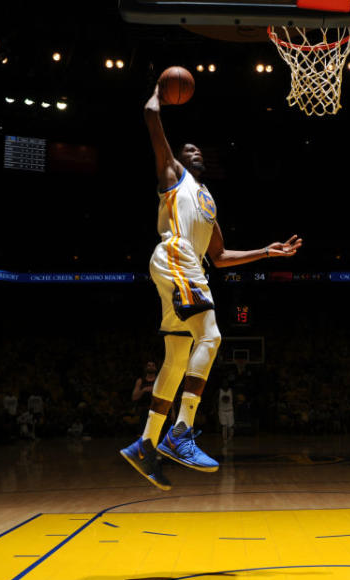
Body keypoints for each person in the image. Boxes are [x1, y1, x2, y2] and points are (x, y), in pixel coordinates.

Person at [120, 83, 302, 489]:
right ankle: (181, 431)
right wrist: (157, 92)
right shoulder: (173, 175)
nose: (195, 150)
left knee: (177, 357)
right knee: (213, 336)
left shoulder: (207, 199)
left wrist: (267, 252)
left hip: (193, 264)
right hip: (176, 256)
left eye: (198, 149)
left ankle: (146, 444)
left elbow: (220, 257)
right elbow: (151, 119)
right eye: (188, 149)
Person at [217, 377, 235, 446]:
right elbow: (215, 401)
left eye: (226, 382)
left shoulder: (231, 391)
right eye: (224, 382)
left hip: (230, 410)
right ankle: (224, 440)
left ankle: (230, 439)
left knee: (231, 427)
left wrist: (235, 410)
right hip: (222, 411)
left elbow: (235, 401)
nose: (225, 384)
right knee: (224, 426)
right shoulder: (219, 391)